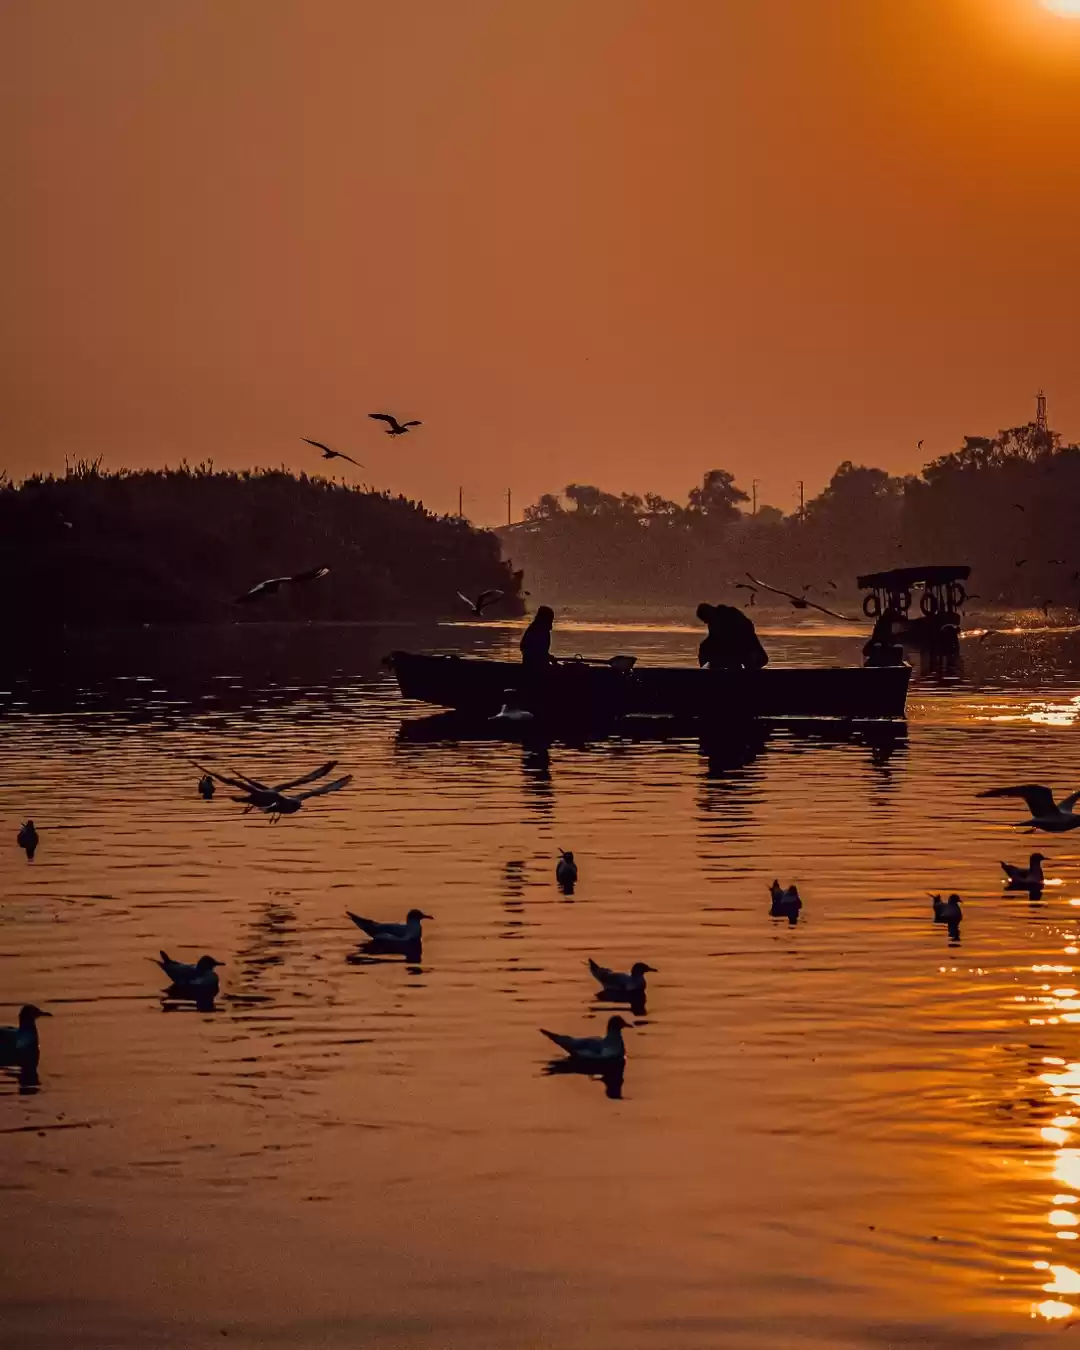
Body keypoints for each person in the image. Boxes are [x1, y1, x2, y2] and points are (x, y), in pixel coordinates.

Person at [696, 602, 768, 671]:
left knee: (742, 660)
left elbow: (747, 628)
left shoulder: (729, 614)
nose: (705, 622)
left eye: (705, 619)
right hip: (735, 652)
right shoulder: (714, 622)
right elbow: (713, 639)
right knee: (706, 650)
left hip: (745, 649)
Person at [520, 605, 557, 670]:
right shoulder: (538, 630)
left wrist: (548, 657)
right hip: (535, 667)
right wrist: (547, 657)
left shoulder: (535, 628)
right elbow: (535, 652)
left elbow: (540, 651)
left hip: (535, 665)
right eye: (550, 618)